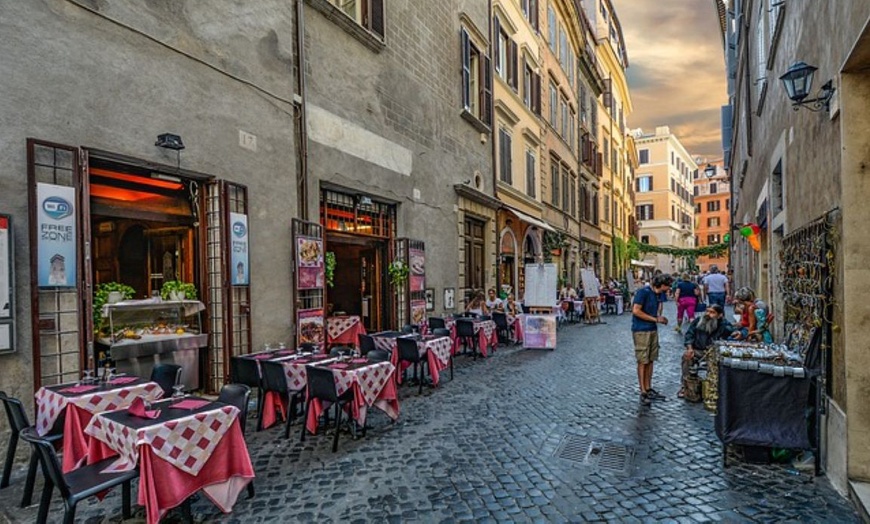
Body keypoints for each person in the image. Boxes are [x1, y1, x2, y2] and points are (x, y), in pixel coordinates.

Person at [631, 274, 672, 405]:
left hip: (652, 328)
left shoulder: (658, 294)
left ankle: (648, 387)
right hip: (641, 329)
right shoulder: (643, 292)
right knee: (643, 359)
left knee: (650, 358)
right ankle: (643, 390)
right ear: (662, 285)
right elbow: (636, 311)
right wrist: (655, 319)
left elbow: (658, 308)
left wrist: (659, 316)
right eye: (668, 285)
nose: (669, 288)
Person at [679, 304, 733, 399]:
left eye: (712, 312)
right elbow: (689, 335)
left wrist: (739, 333)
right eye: (707, 311)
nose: (708, 314)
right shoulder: (698, 321)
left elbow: (734, 331)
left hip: (714, 352)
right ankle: (686, 386)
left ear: (720, 315)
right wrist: (690, 348)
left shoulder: (724, 325)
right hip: (698, 350)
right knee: (686, 357)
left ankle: (715, 388)